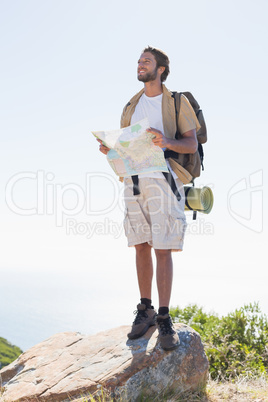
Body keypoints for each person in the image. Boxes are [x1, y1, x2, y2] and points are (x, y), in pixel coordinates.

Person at [98, 46, 200, 351]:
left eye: (147, 61)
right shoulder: (132, 104)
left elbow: (191, 144)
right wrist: (111, 149)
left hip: (164, 179)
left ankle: (165, 317)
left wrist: (166, 140)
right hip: (133, 180)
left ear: (161, 69)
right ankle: (146, 310)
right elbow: (127, 144)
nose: (140, 64)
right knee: (140, 245)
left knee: (163, 249)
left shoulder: (177, 102)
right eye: (140, 61)